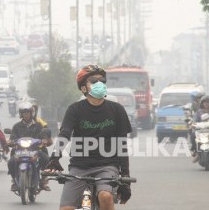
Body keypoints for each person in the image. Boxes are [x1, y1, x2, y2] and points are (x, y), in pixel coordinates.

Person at [45, 64, 133, 210]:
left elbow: (122, 145)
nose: (100, 84)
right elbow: (65, 134)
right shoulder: (74, 109)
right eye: (94, 80)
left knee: (105, 196)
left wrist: (125, 180)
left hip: (107, 166)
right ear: (83, 88)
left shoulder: (117, 110)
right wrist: (55, 157)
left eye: (102, 80)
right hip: (79, 167)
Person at [8, 101, 52, 192]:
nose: (26, 115)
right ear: (21, 114)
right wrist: (11, 142)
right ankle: (14, 181)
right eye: (24, 113)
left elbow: (43, 135)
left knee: (46, 159)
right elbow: (12, 137)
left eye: (27, 112)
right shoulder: (16, 126)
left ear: (31, 113)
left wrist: (44, 140)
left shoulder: (38, 125)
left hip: (35, 150)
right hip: (20, 151)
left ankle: (43, 180)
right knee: (11, 162)